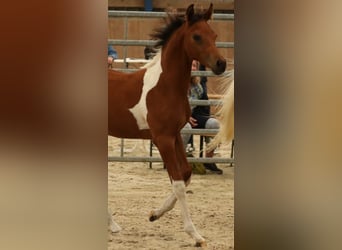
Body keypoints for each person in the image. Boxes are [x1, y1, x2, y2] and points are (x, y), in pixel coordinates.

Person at [182, 60, 223, 175]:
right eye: (191, 65)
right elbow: (171, 104)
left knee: (215, 124)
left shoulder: (198, 86)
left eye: (195, 66)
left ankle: (208, 160)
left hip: (194, 115)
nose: (193, 68)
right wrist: (184, 116)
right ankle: (180, 161)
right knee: (186, 128)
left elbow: (202, 105)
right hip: (178, 116)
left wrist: (202, 117)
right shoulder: (176, 82)